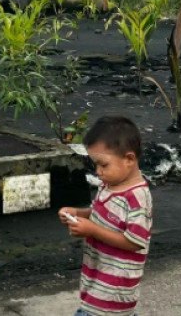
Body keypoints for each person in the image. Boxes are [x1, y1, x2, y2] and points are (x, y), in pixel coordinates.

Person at [59, 115, 153, 316]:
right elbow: (100, 214)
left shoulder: (137, 197)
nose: (98, 172)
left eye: (103, 165)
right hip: (97, 280)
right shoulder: (109, 186)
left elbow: (135, 241)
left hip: (114, 289)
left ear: (129, 159)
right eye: (96, 165)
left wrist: (92, 229)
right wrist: (79, 214)